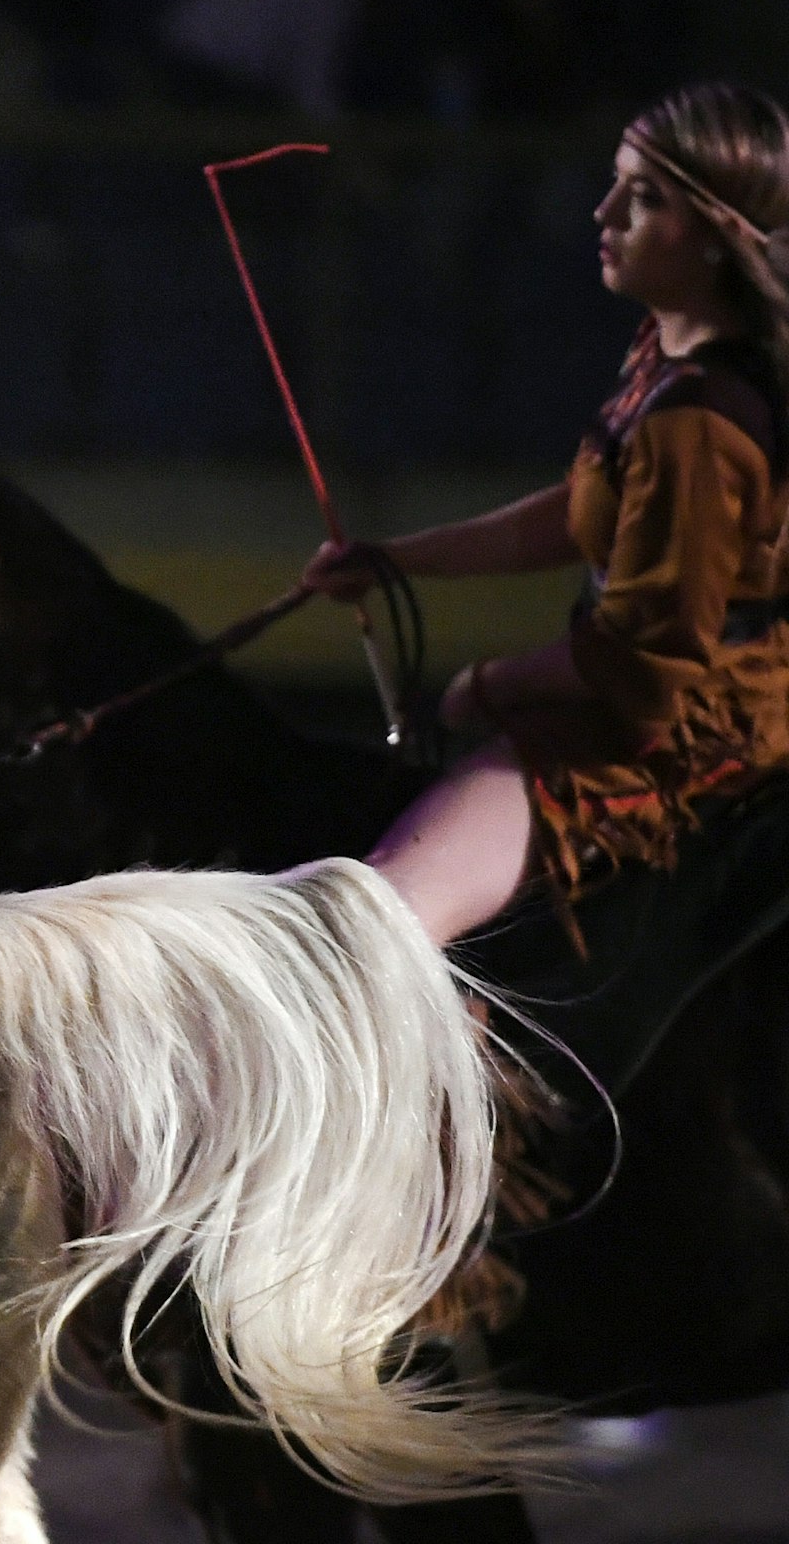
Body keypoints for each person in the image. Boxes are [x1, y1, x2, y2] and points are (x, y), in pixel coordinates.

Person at [309, 83, 789, 946]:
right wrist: (397, 559)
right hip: (643, 704)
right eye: (615, 184)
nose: (603, 213)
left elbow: (643, 679)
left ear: (717, 240)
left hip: (688, 740)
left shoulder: (701, 423)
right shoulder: (664, 356)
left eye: (643, 199)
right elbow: (583, 514)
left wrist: (484, 685)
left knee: (374, 919)